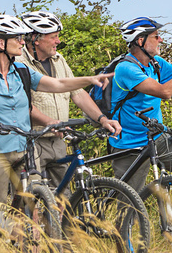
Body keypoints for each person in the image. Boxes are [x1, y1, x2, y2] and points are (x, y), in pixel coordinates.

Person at [0, 14, 111, 241]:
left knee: (33, 211)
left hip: (23, 150)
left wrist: (89, 79)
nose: (22, 41)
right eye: (17, 38)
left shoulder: (22, 72)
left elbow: (58, 85)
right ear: (1, 43)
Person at [109, 17, 172, 199]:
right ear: (140, 41)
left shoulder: (155, 62)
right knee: (129, 204)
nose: (161, 40)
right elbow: (165, 92)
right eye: (156, 36)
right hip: (129, 144)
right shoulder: (126, 69)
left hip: (156, 138)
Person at [18, 11, 121, 188]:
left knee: (63, 197)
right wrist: (51, 122)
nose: (58, 41)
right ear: (36, 39)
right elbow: (22, 104)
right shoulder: (19, 63)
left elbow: (78, 93)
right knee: (32, 197)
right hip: (32, 139)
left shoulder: (59, 60)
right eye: (54, 37)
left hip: (58, 139)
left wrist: (102, 119)